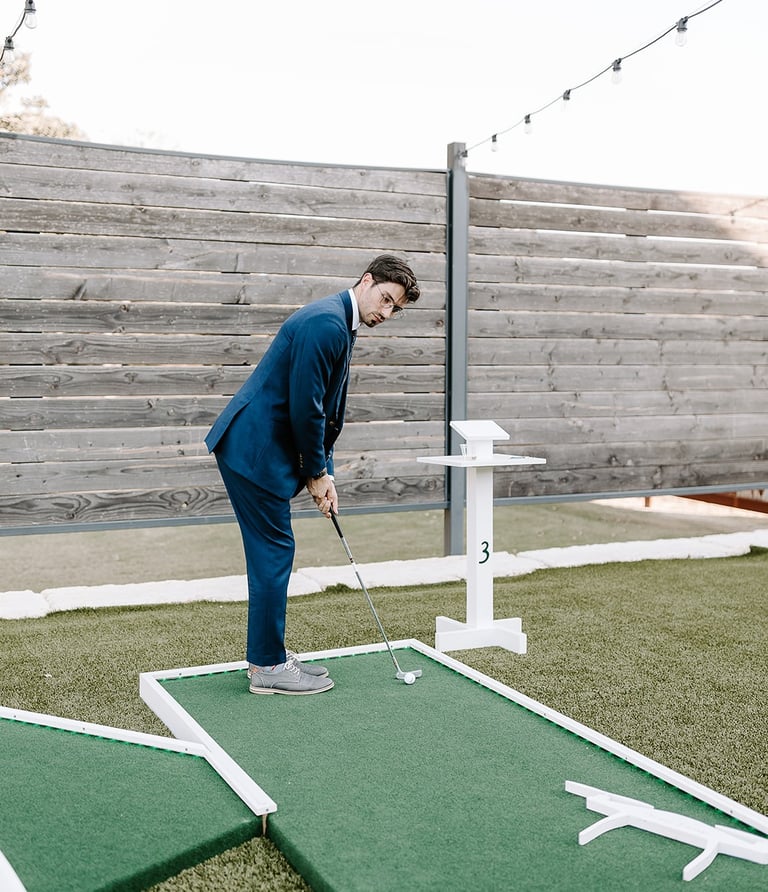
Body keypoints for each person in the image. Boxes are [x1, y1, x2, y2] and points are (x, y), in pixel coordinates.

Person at [205, 255, 421, 695]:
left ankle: (268, 657)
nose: (386, 312)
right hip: (255, 450)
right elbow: (307, 408)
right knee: (274, 551)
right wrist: (316, 472)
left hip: (259, 447)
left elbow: (323, 409)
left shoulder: (339, 321)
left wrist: (326, 475)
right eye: (385, 299)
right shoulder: (327, 324)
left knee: (273, 551)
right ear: (366, 281)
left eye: (395, 308)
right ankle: (268, 666)